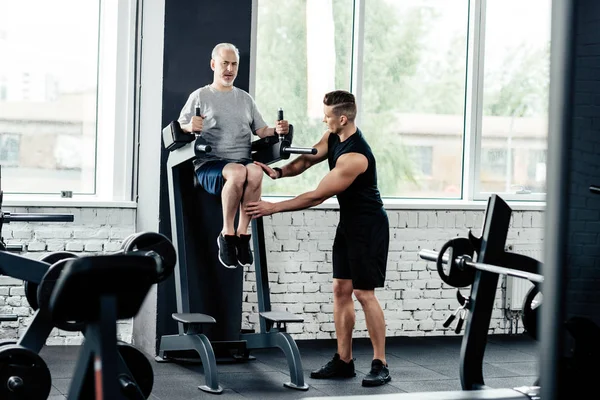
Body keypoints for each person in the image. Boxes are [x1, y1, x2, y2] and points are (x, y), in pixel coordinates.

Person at [245, 90, 391, 387]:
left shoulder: (355, 156)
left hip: (369, 226)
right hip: (349, 223)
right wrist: (279, 172)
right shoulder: (332, 138)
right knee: (341, 289)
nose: (323, 120)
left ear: (342, 118)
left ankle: (381, 363)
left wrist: (274, 207)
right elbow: (306, 161)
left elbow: (317, 196)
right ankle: (344, 360)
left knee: (364, 294)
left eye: (327, 116)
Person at [177, 43, 289, 269]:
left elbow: (261, 130)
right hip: (211, 163)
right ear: (213, 64)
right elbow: (180, 126)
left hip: (242, 161)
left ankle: (242, 235)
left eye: (234, 64)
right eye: (224, 63)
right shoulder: (200, 95)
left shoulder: (245, 99)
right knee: (238, 172)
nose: (229, 69)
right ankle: (227, 235)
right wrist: (190, 126)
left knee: (255, 171)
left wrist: (277, 130)